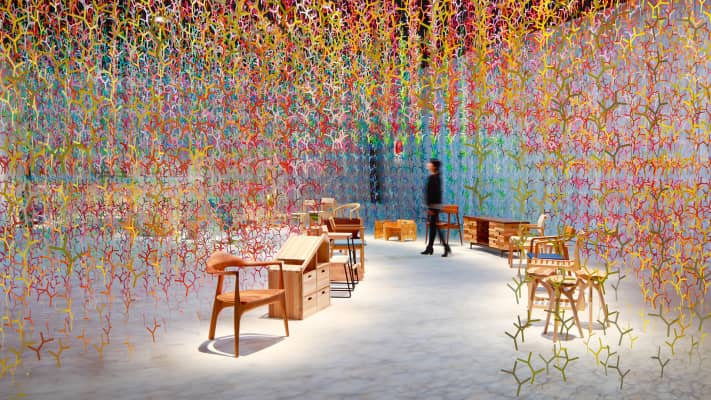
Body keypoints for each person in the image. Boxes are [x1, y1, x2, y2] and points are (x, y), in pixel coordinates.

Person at [421, 158, 451, 257]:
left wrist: (431, 208)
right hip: (434, 206)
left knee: (435, 227)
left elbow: (435, 194)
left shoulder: (435, 178)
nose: (428, 164)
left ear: (433, 166)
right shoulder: (434, 177)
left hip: (434, 206)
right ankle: (430, 247)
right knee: (434, 227)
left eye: (430, 163)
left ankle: (445, 247)